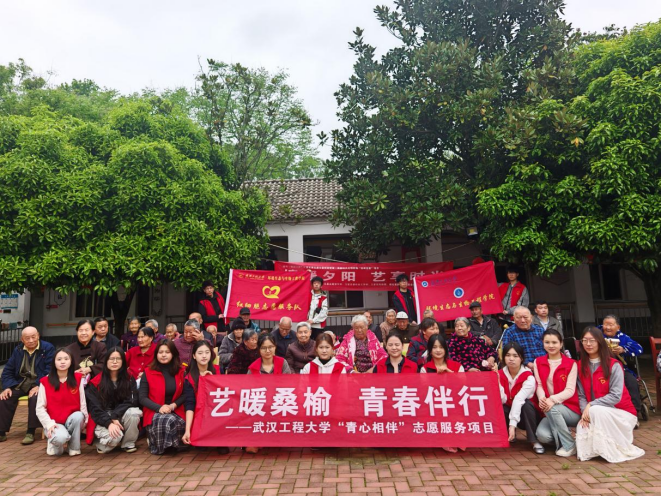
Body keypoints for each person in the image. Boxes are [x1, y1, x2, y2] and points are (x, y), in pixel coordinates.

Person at [576, 327, 645, 463]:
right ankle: (598, 448)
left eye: (592, 340)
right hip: (595, 412)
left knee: (596, 410)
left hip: (622, 413)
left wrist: (591, 405)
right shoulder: (580, 366)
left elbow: (616, 396)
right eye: (585, 340)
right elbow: (581, 395)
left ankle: (611, 448)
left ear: (600, 342)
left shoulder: (613, 365)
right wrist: (585, 413)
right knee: (582, 427)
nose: (588, 344)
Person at [0, 327, 54, 445]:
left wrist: (40, 385)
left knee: (35, 398)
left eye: (33, 337)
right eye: (27, 338)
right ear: (22, 339)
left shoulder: (47, 348)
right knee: (5, 397)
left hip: (38, 383)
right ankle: (1, 432)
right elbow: (8, 370)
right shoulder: (18, 350)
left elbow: (50, 370)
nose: (31, 340)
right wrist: (7, 387)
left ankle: (30, 431)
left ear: (38, 335)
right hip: (20, 383)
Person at [85, 347, 142, 454]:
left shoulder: (129, 378)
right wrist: (109, 423)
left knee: (134, 412)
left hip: (120, 415)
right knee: (115, 438)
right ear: (106, 361)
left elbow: (132, 401)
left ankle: (128, 443)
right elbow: (95, 408)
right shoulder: (96, 382)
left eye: (118, 359)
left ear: (123, 361)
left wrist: (115, 415)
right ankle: (101, 442)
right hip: (102, 418)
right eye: (111, 359)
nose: (115, 362)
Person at [533, 330, 580, 457]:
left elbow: (570, 390)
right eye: (547, 342)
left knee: (552, 408)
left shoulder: (571, 364)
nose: (551, 345)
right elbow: (539, 385)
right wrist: (542, 399)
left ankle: (569, 445)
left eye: (554, 342)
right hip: (550, 407)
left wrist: (551, 400)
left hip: (570, 409)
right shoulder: (538, 362)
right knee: (543, 436)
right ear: (543, 343)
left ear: (561, 344)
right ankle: (568, 434)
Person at [35, 348, 87, 456]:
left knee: (79, 415)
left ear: (71, 361)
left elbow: (83, 402)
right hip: (55, 423)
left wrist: (85, 421)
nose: (62, 362)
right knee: (60, 441)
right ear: (54, 362)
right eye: (59, 359)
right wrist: (49, 424)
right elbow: (40, 408)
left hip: (71, 420)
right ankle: (54, 441)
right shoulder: (45, 381)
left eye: (66, 359)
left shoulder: (78, 378)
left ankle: (74, 447)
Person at [139, 340, 187, 455]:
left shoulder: (181, 371)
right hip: (154, 411)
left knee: (178, 421)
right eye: (160, 352)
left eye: (167, 352)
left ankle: (168, 444)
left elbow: (185, 394)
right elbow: (142, 398)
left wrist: (173, 406)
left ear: (173, 354)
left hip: (176, 409)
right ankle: (160, 446)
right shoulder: (148, 372)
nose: (164, 355)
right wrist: (159, 408)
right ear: (156, 354)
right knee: (168, 420)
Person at [419, 334, 464, 454]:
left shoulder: (457, 366)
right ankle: (444, 440)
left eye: (441, 347)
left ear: (445, 349)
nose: (438, 350)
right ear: (430, 350)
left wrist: (449, 373)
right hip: (434, 404)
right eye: (434, 347)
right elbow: (424, 391)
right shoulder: (425, 369)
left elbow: (464, 385)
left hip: (455, 403)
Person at [182, 341, 228, 454]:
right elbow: (190, 405)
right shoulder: (189, 378)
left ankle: (220, 438)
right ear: (194, 356)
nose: (204, 356)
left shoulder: (218, 370)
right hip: (200, 414)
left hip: (217, 412)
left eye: (207, 352)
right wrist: (187, 431)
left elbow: (226, 395)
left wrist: (212, 381)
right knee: (201, 447)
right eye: (200, 353)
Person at [498, 342, 544, 454]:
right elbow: (503, 399)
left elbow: (519, 399)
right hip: (511, 412)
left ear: (521, 358)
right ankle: (508, 435)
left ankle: (534, 440)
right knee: (502, 407)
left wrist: (512, 425)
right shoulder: (499, 374)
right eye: (508, 355)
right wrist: (497, 381)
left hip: (527, 417)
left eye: (515, 356)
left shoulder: (529, 377)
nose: (511, 359)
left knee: (526, 404)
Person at [600, 314, 644, 417]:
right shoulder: (596, 334)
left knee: (631, 382)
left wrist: (623, 349)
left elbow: (639, 348)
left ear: (618, 327)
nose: (608, 327)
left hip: (621, 369)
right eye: (605, 324)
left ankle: (634, 411)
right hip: (600, 369)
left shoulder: (623, 337)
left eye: (611, 325)